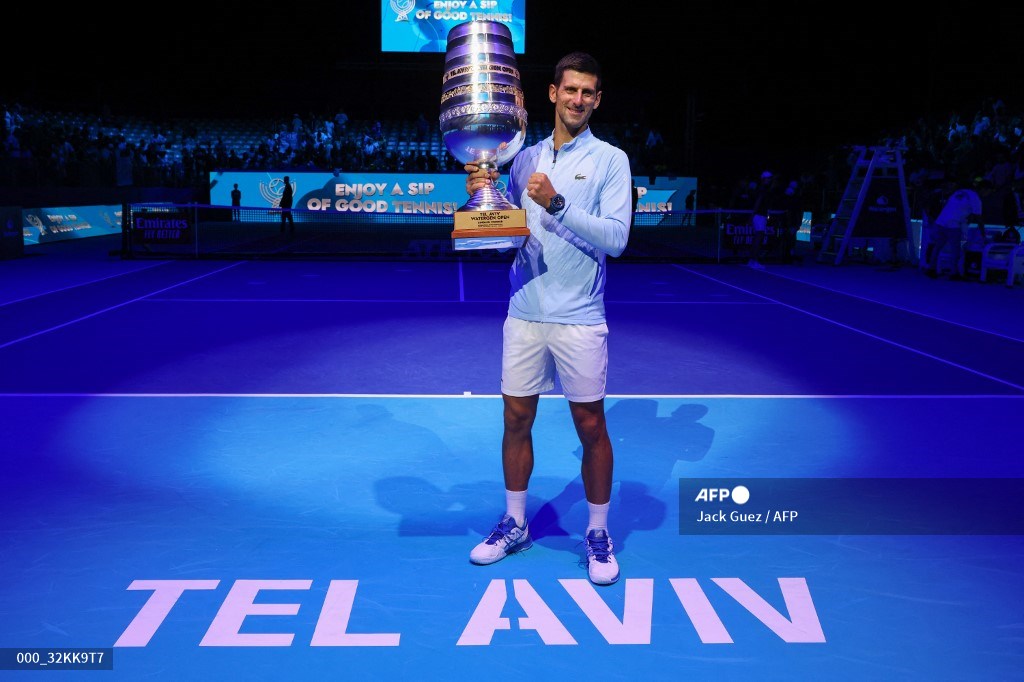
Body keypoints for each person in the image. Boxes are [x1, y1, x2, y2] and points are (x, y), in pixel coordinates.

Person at [464, 51, 632, 586]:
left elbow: (618, 239)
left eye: (589, 92)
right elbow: (502, 242)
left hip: (580, 317)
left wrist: (557, 203)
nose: (579, 99)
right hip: (524, 312)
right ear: (553, 94)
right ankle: (514, 524)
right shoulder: (520, 158)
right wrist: (481, 206)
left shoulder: (612, 160)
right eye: (571, 90)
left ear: (597, 99)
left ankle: (598, 532)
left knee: (591, 427)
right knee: (516, 420)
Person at [925, 179, 992, 280]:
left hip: (940, 221)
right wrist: (983, 234)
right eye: (989, 191)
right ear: (984, 189)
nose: (988, 194)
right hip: (953, 224)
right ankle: (954, 273)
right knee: (956, 249)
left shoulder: (959, 192)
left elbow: (953, 206)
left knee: (938, 246)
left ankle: (931, 269)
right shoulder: (976, 199)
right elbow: (979, 218)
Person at [746, 170, 775, 269]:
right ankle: (753, 261)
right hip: (759, 216)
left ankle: (752, 260)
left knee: (758, 238)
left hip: (760, 215)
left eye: (770, 178)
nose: (770, 180)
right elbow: (758, 202)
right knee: (758, 238)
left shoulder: (764, 188)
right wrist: (753, 215)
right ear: (763, 179)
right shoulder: (762, 189)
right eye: (768, 178)